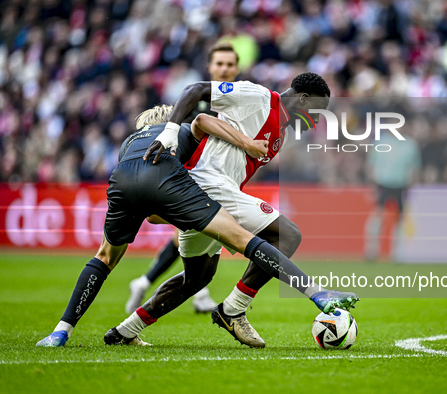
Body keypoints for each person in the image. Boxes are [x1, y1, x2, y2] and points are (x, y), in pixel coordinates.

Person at [36, 104, 359, 348]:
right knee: (246, 237)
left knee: (107, 258)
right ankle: (317, 295)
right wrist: (247, 144)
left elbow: (150, 213)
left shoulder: (129, 142)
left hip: (122, 184)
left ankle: (62, 331)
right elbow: (203, 122)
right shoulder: (175, 129)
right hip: (179, 189)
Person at [107, 73, 345, 348]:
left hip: (212, 193)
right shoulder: (257, 97)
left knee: (197, 278)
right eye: (317, 111)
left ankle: (124, 331)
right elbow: (195, 90)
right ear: (303, 98)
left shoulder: (281, 132)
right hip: (210, 183)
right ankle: (234, 308)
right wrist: (170, 132)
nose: (317, 120)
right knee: (287, 235)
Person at [125, 42, 241, 315]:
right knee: (201, 227)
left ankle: (146, 282)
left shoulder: (241, 100)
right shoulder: (194, 99)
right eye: (219, 64)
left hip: (219, 174)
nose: (224, 69)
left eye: (229, 64)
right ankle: (197, 292)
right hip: (188, 171)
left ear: (237, 68)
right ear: (210, 67)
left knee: (191, 233)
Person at [364, 129, 421, 260]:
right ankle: (372, 249)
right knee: (377, 216)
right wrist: (372, 183)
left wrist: (411, 183)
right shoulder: (381, 141)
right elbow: (371, 163)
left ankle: (397, 252)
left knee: (399, 219)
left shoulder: (410, 144)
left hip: (401, 184)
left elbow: (415, 167)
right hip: (382, 183)